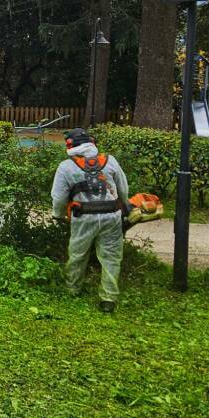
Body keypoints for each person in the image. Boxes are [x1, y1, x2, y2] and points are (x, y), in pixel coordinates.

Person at [50, 128, 130, 313]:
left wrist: (58, 215)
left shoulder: (66, 167)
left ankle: (72, 289)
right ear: (91, 144)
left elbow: (59, 198)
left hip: (83, 217)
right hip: (112, 215)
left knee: (78, 254)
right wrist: (125, 207)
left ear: (70, 146)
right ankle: (108, 298)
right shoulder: (110, 161)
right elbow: (123, 190)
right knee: (111, 257)